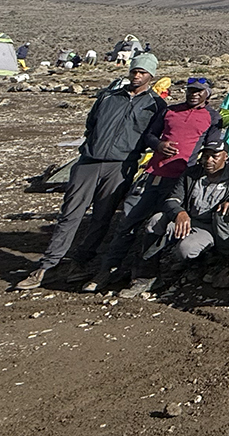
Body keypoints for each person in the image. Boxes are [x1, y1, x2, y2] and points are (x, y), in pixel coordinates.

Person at [17, 52, 168, 290]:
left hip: (121, 165)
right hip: (89, 161)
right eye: (134, 71)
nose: (137, 76)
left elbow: (151, 135)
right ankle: (48, 265)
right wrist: (92, 146)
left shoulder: (156, 105)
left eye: (142, 72)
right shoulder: (109, 96)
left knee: (102, 217)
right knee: (70, 213)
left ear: (152, 75)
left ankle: (80, 261)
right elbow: (91, 124)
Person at [85, 76, 222, 293]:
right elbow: (149, 135)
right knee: (127, 222)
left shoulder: (212, 117)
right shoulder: (170, 110)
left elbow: (212, 148)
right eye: (190, 90)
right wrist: (159, 145)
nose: (193, 94)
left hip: (179, 179)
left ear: (208, 94)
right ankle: (109, 269)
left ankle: (145, 275)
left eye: (199, 91)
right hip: (152, 173)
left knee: (156, 225)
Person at [126, 133, 229, 293]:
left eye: (214, 156)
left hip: (209, 226)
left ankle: (202, 261)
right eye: (206, 156)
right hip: (187, 218)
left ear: (226, 157)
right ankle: (147, 273)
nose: (209, 160)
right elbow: (172, 199)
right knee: (155, 221)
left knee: (186, 249)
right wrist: (179, 213)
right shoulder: (191, 173)